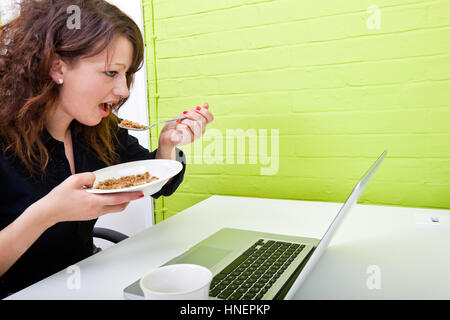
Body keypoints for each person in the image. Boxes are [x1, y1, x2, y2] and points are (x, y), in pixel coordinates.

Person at [0, 0, 214, 298]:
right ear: (57, 67)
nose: (124, 91)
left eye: (127, 75)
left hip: (89, 283)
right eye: (112, 73)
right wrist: (47, 213)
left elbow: (155, 181)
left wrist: (168, 145)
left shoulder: (97, 128)